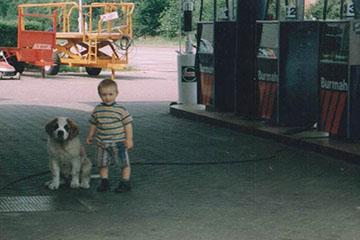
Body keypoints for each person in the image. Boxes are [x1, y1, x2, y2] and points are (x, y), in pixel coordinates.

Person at [86, 79, 133, 193]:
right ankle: (104, 182)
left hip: (118, 142)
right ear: (99, 95)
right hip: (102, 143)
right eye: (104, 95)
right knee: (102, 163)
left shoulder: (121, 110)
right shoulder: (97, 109)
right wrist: (90, 135)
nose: (107, 97)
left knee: (123, 163)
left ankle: (125, 182)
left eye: (110, 94)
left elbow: (128, 125)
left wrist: (129, 139)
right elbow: (94, 123)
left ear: (117, 93)